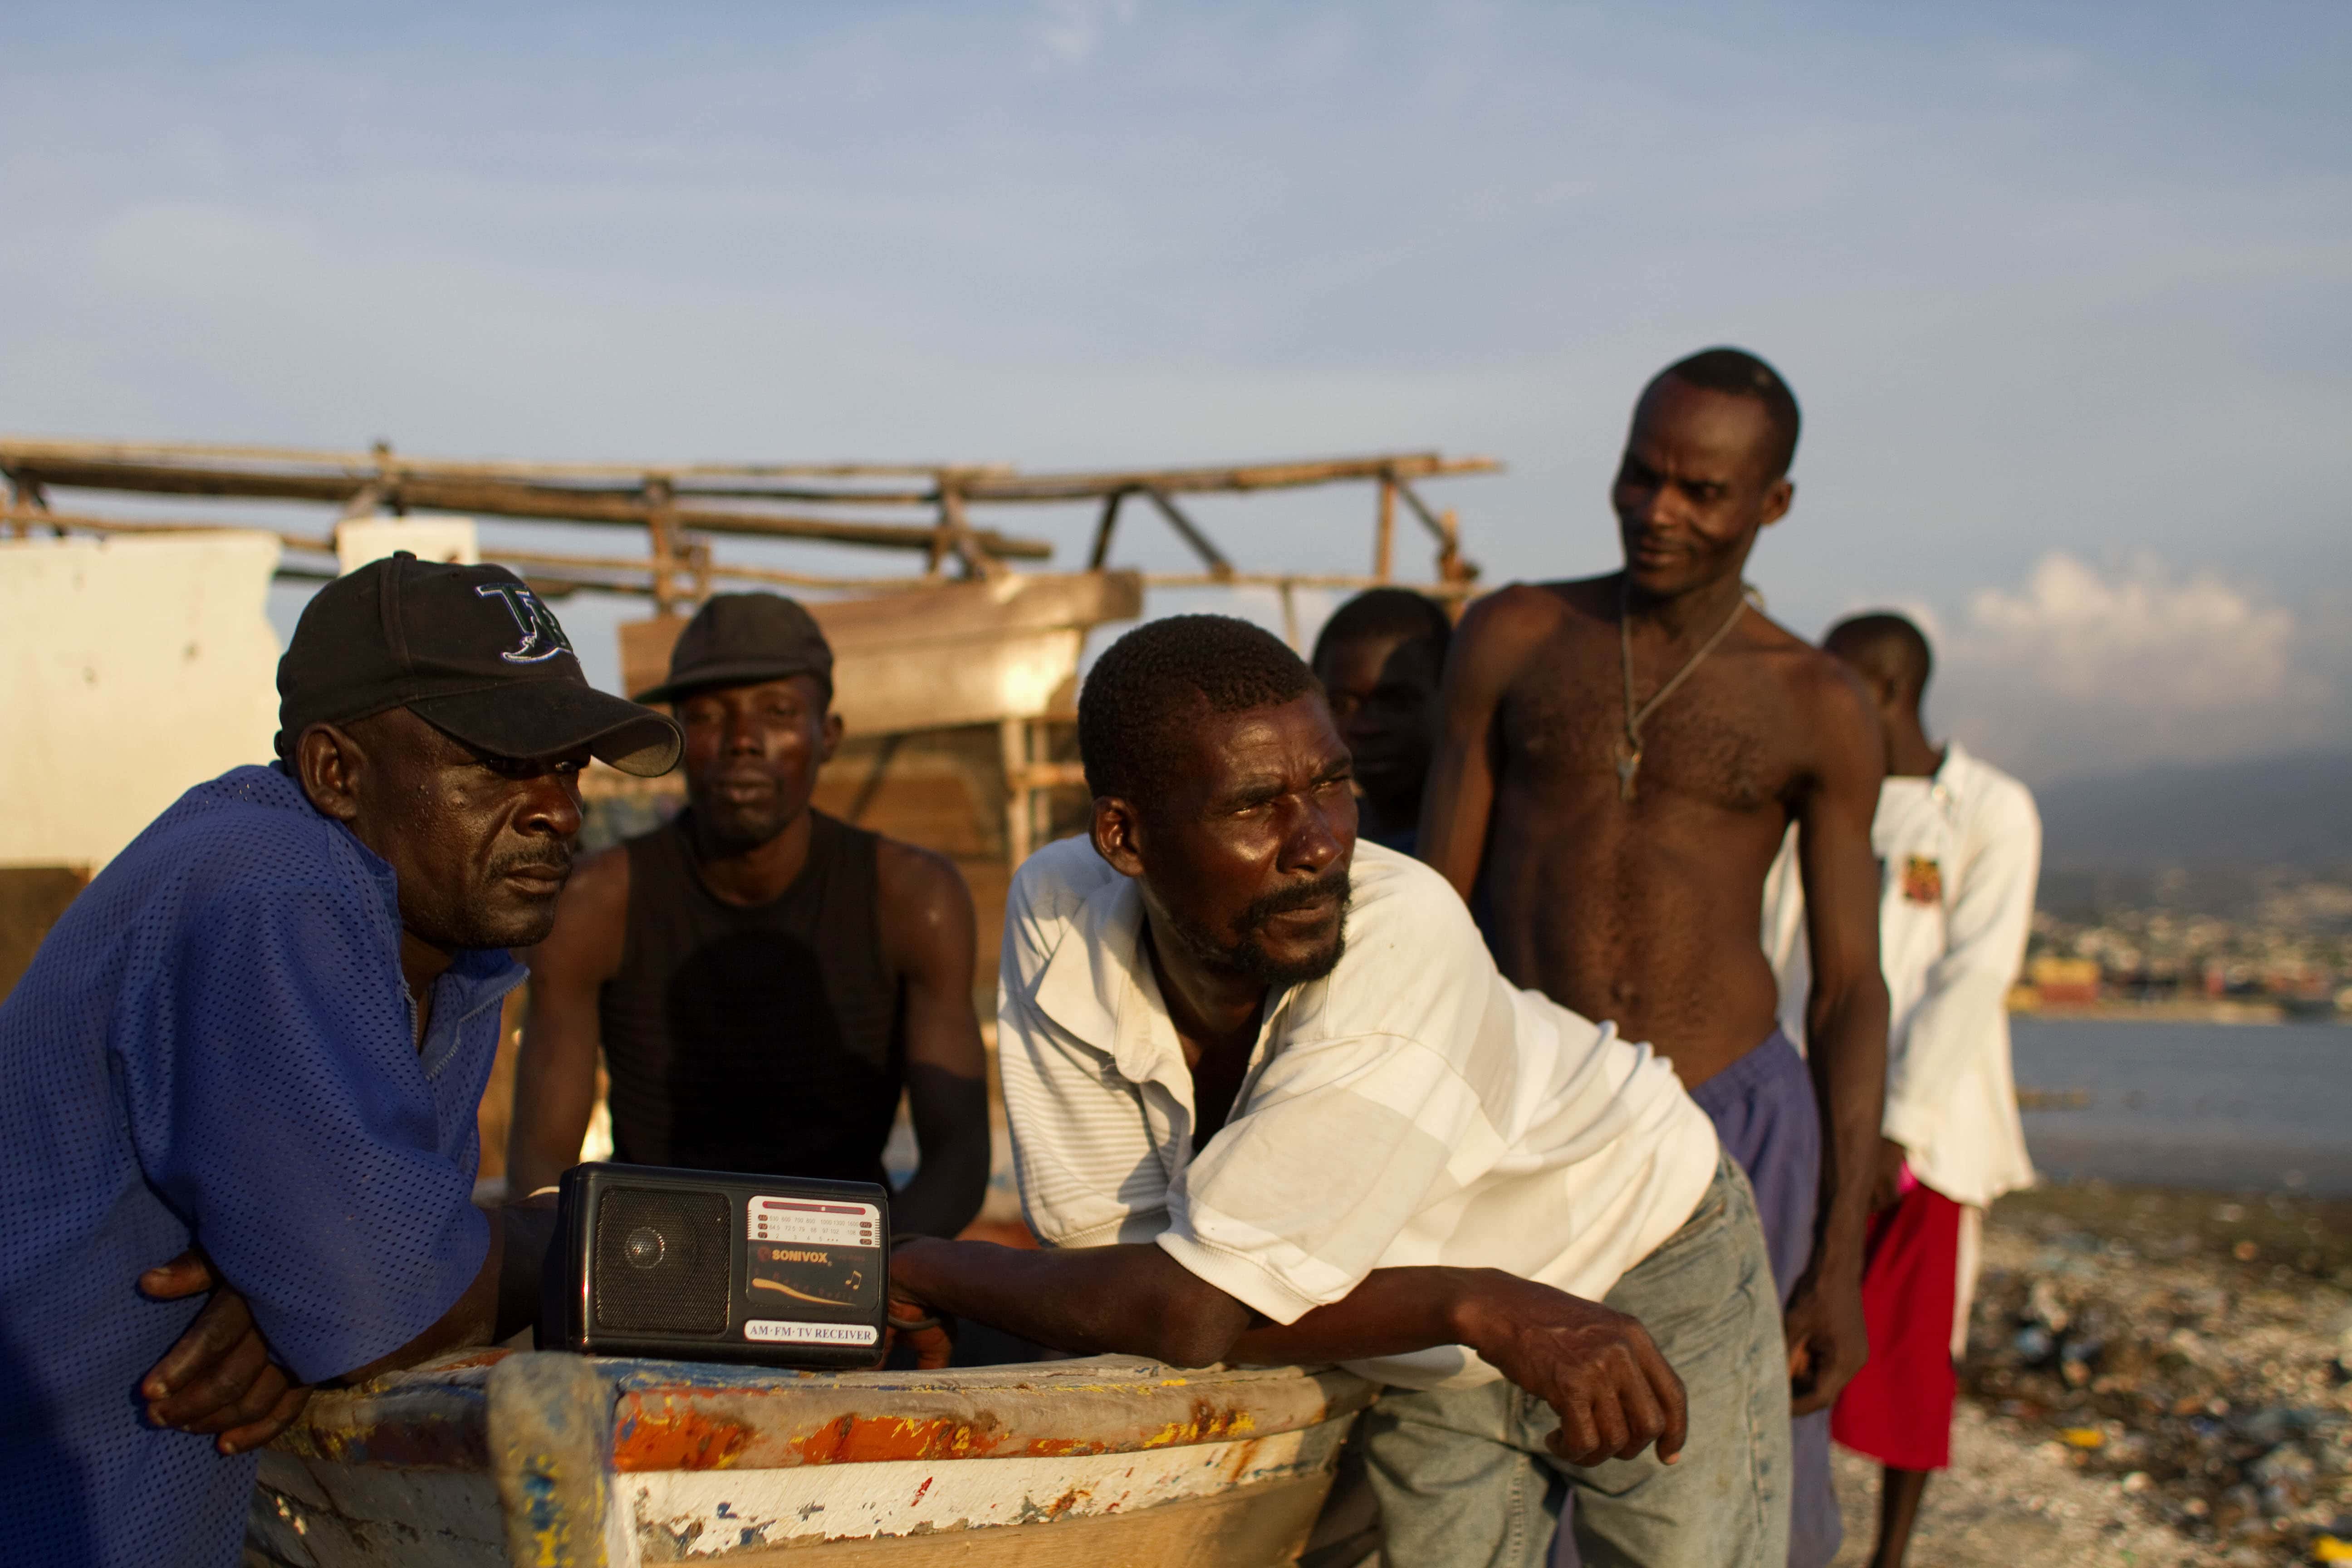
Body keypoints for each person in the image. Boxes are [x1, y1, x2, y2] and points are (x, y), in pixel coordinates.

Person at [887, 614, 1792, 1568]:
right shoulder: (1060, 911)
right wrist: (1471, 1305)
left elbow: (1181, 1308)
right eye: (1254, 806)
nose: (1319, 844)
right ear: (1125, 836)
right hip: (1423, 1322)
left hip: (1636, 1253)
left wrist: (922, 1266)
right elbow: (1125, 1271)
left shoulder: (1399, 934)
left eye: (1332, 786)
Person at [0, 555, 680, 1568]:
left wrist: (328, 1300)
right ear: (337, 773)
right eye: (501, 764)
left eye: (569, 766)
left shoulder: (453, 952)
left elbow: (379, 1298)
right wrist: (537, 1244)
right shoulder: (270, 884)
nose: (558, 809)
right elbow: (384, 1295)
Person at [1416, 347, 1891, 1568]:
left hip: (1732, 1118)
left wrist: (1838, 1268)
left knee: (1718, 1488)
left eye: (1702, 491)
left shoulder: (1819, 703)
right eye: (1641, 475)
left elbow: (1850, 990)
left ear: (1771, 505)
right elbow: (1431, 914)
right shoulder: (1518, 635)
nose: (1659, 512)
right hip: (1528, 1113)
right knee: (1490, 1457)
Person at [506, 592, 989, 1240]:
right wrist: (606, 1273)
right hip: (659, 1262)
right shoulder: (597, 904)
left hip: (845, 1257)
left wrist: (871, 1279)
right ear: (677, 738)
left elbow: (958, 1158)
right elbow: (541, 1165)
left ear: (830, 735)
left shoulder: (913, 899)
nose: (741, 742)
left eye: (779, 712)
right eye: (707, 716)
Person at [1759, 612, 2041, 1568]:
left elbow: (1972, 976)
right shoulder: (1821, 793)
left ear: (1878, 689)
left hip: (1928, 1132)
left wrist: (1898, 1126)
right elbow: (1779, 947)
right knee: (1788, 1325)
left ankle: (1892, 1552)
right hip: (1807, 1104)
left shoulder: (1990, 811)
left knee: (1914, 1351)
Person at [1309, 586, 1452, 853]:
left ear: (1453, 698)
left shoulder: (1502, 850)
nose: (1367, 727)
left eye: (1397, 702)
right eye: (1340, 705)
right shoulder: (1314, 847)